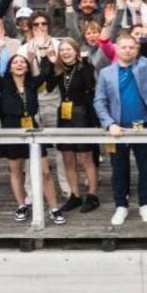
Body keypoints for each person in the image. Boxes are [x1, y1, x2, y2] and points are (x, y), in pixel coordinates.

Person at [93, 31, 147, 226]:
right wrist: (109, 123)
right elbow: (99, 101)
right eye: (123, 47)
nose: (127, 50)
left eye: (131, 47)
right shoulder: (105, 73)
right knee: (119, 168)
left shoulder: (144, 65)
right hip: (117, 128)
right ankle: (121, 206)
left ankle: (144, 204)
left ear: (136, 50)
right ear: (116, 49)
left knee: (146, 168)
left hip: (145, 125)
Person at [0, 52, 64, 225]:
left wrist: (45, 57)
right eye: (15, 62)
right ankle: (22, 205)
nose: (19, 64)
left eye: (22, 62)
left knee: (45, 171)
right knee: (16, 171)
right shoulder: (4, 84)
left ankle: (54, 208)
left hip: (32, 127)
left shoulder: (31, 83)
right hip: (12, 129)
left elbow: (46, 73)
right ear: (9, 67)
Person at [47, 39, 101, 214]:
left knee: (85, 158)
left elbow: (90, 86)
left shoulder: (84, 67)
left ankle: (92, 195)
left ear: (76, 51)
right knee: (67, 157)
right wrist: (49, 62)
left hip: (82, 114)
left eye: (68, 49)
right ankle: (75, 195)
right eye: (62, 50)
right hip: (64, 115)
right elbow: (48, 86)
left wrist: (84, 63)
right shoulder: (60, 69)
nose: (65, 52)